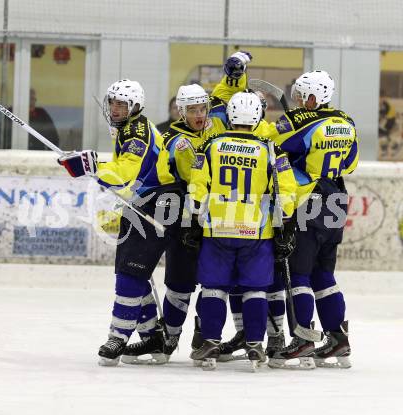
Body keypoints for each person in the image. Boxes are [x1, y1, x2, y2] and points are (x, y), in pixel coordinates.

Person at [120, 51, 260, 364]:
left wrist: (235, 72)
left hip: (217, 220)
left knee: (218, 282)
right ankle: (168, 340)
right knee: (180, 284)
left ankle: (207, 336)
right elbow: (155, 174)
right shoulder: (172, 138)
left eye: (202, 108)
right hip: (184, 219)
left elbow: (228, 96)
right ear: (180, 111)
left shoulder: (216, 125)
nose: (199, 114)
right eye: (192, 110)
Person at [58, 79, 181, 366]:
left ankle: (118, 337)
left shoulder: (137, 130)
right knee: (132, 273)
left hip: (157, 204)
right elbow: (126, 168)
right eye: (112, 102)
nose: (115, 108)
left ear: (135, 106)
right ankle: (152, 337)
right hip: (142, 203)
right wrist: (92, 164)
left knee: (130, 275)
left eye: (121, 104)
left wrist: (92, 167)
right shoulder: (128, 127)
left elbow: (126, 171)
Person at [189, 91, 296, 370]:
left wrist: (195, 214)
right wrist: (285, 218)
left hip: (218, 229)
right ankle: (255, 345)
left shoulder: (211, 145)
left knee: (213, 289)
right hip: (256, 232)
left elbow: (197, 185)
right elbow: (285, 188)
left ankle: (211, 341)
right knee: (255, 290)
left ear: (230, 116)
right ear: (258, 117)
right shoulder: (271, 148)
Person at [266, 70, 359, 370]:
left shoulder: (296, 122)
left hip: (309, 199)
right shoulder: (347, 122)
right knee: (323, 275)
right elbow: (352, 163)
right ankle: (337, 337)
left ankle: (303, 337)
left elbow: (271, 143)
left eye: (300, 95)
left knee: (299, 272)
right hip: (336, 198)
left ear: (312, 97)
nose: (297, 100)